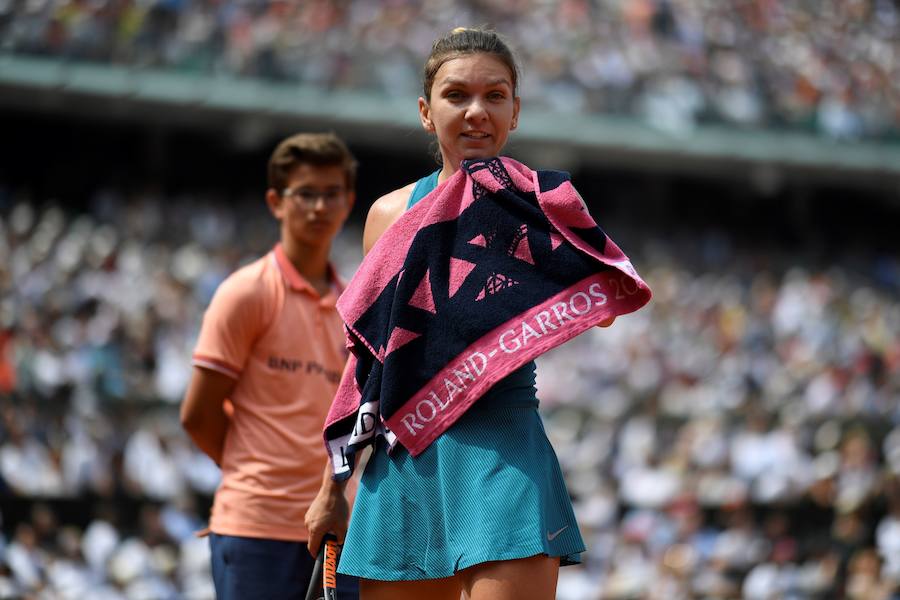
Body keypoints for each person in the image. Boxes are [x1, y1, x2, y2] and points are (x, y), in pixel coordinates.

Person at [326, 28, 644, 600]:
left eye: (495, 96)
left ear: (515, 112)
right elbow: (367, 365)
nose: (477, 112)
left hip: (500, 454)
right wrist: (331, 489)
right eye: (457, 96)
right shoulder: (388, 214)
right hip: (404, 464)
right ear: (426, 112)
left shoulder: (544, 202)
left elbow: (605, 299)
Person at [180, 132, 358, 599]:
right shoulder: (246, 292)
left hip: (340, 533)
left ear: (348, 202)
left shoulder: (355, 308)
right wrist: (254, 476)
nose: (319, 207)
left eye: (331, 194)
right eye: (306, 194)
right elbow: (197, 415)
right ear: (276, 202)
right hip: (256, 528)